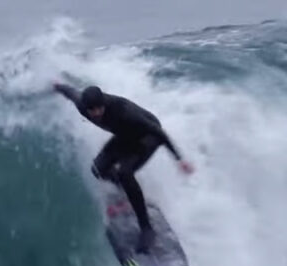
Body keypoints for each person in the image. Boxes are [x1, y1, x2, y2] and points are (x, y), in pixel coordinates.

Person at [52, 82, 194, 252]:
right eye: (92, 110)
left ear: (103, 103)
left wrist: (179, 159)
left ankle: (147, 229)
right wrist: (58, 86)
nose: (96, 114)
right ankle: (127, 192)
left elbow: (158, 132)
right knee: (98, 169)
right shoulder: (83, 105)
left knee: (125, 172)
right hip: (125, 135)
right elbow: (71, 91)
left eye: (99, 109)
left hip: (148, 136)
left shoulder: (125, 112)